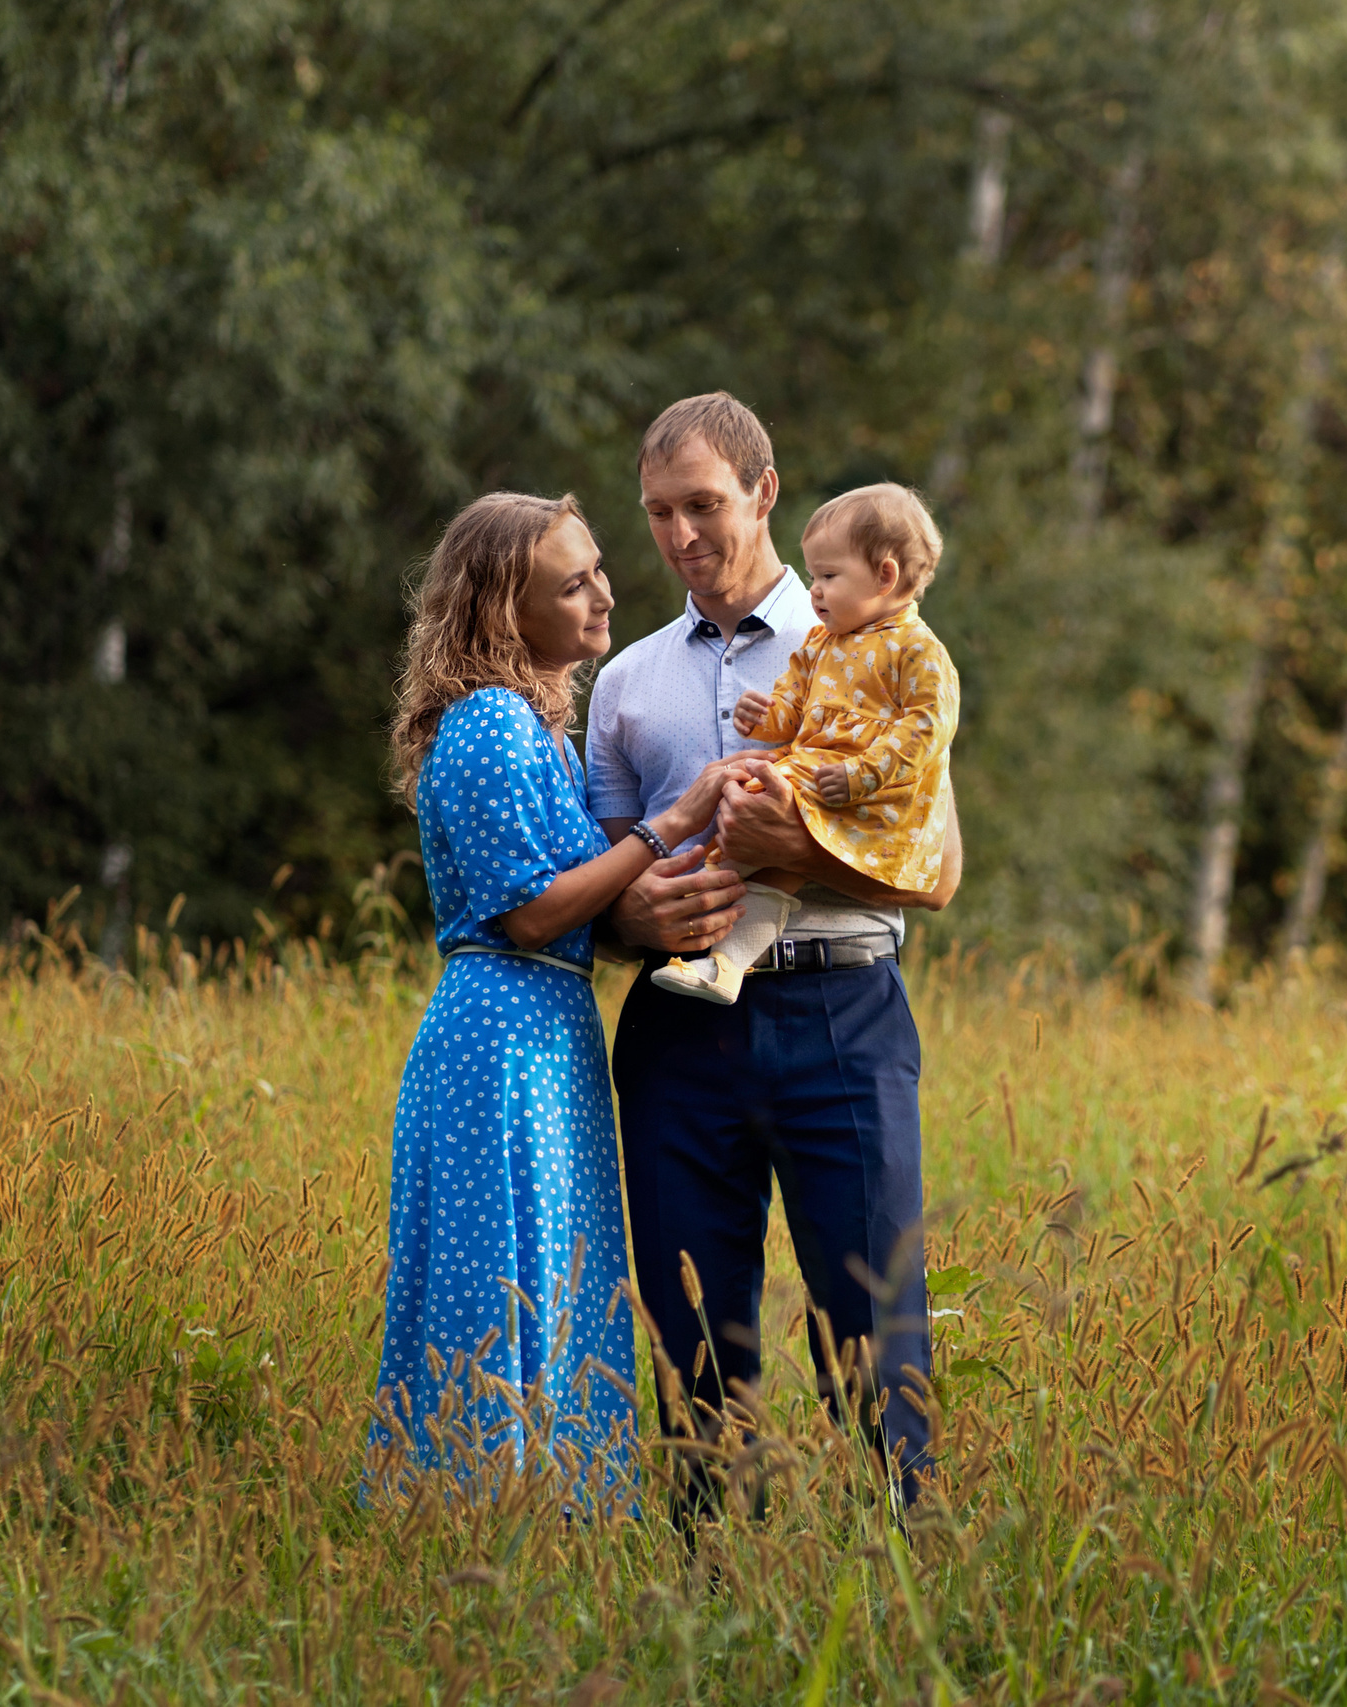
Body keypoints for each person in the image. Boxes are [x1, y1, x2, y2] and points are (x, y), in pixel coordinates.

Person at [585, 393, 959, 1515]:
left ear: (764, 493)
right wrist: (633, 923)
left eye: (702, 504)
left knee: (874, 1327)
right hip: (676, 1031)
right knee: (693, 1334)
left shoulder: (881, 641)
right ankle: (712, 1600)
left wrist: (798, 844)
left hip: (842, 1018)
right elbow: (595, 895)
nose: (680, 535)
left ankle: (910, 1574)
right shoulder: (622, 684)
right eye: (657, 513)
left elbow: (937, 872)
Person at [368, 491, 738, 1506]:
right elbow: (532, 914)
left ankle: (544, 1514)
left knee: (548, 1265)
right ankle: (480, 1507)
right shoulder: (488, 724)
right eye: (570, 584)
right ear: (501, 608)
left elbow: (583, 905)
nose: (603, 594)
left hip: (546, 1027)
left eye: (597, 570)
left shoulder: (539, 731)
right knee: (505, 1273)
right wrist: (667, 827)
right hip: (501, 1034)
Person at [651, 482, 960, 1005]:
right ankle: (723, 959)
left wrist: (862, 774)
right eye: (814, 575)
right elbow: (795, 709)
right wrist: (765, 716)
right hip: (821, 772)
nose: (813, 590)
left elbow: (927, 728)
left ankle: (705, 908)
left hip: (874, 790)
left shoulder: (918, 649)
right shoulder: (823, 641)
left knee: (754, 808)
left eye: (828, 576)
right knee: (753, 811)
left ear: (885, 576)